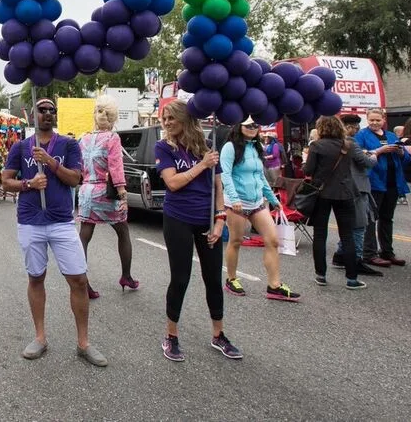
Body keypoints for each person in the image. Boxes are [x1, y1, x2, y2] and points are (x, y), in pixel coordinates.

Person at [0, 97, 106, 367]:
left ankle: (83, 343)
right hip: (30, 221)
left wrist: (50, 162)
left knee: (79, 280)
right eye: (42, 110)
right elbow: (5, 181)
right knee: (36, 277)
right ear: (33, 115)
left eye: (51, 111)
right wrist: (28, 184)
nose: (47, 114)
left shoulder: (68, 144)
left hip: (61, 221)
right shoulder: (22, 146)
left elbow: (75, 179)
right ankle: (40, 337)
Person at [155, 100, 241, 362]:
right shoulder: (164, 147)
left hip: (207, 220)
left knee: (213, 277)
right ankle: (171, 336)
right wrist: (201, 165)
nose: (167, 123)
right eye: (164, 118)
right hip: (178, 218)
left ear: (185, 118)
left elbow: (218, 186)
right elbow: (172, 183)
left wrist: (220, 220)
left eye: (172, 117)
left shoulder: (207, 148)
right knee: (180, 278)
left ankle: (219, 334)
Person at [220, 119, 299, 301]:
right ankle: (231, 279)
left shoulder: (257, 148)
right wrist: (234, 198)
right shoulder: (230, 147)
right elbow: (225, 174)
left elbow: (260, 176)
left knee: (272, 241)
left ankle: (274, 286)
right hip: (236, 204)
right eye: (248, 125)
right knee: (236, 241)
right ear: (239, 126)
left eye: (255, 126)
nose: (252, 129)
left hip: (257, 203)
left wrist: (273, 199)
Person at [77, 96, 136, 299]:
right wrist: (122, 192)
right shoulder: (112, 138)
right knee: (123, 230)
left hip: (86, 191)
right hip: (105, 192)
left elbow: (80, 168)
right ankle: (126, 276)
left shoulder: (83, 138)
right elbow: (115, 167)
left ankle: (82, 282)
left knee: (84, 236)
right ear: (112, 120)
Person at [305, 115, 365, 289]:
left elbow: (308, 170)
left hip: (322, 193)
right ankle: (352, 278)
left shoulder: (316, 146)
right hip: (345, 192)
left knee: (320, 235)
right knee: (347, 235)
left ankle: (321, 275)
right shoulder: (348, 145)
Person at [354, 108, 408, 268]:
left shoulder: (391, 136)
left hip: (392, 182)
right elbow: (360, 156)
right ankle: (369, 253)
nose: (375, 123)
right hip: (374, 182)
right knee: (371, 219)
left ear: (384, 120)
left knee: (387, 218)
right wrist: (379, 151)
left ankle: (387, 251)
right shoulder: (361, 136)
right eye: (372, 120)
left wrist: (401, 152)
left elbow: (405, 160)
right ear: (367, 119)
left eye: (378, 120)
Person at [334, 114, 381, 277]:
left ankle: (340, 255)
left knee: (348, 224)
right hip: (357, 187)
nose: (357, 130)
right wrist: (375, 154)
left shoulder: (334, 141)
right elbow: (366, 162)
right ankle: (356, 260)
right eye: (355, 127)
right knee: (360, 224)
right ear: (347, 127)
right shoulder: (351, 142)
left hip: (342, 187)